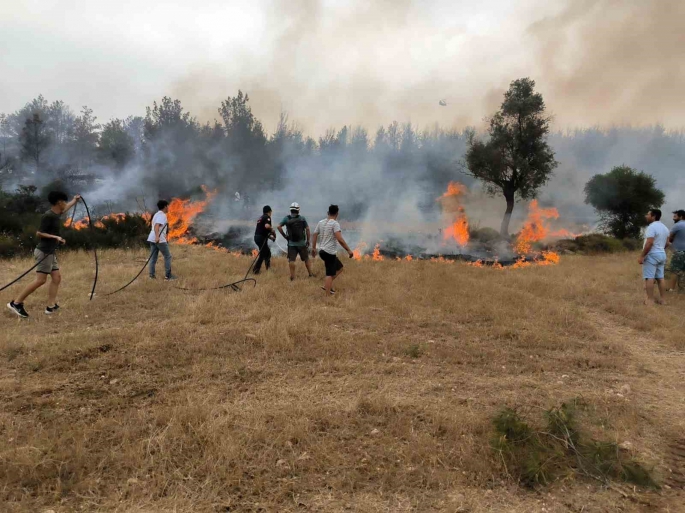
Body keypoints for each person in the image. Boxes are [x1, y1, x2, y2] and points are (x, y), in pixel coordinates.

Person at [7, 191, 81, 318]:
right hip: (44, 252)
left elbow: (65, 208)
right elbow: (39, 233)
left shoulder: (57, 213)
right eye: (64, 201)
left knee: (56, 278)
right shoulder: (48, 216)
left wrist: (74, 200)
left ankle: (50, 306)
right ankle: (16, 303)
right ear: (59, 202)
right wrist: (56, 237)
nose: (65, 203)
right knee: (40, 280)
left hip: (50, 252)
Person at [311, 204, 354, 295]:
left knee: (340, 268)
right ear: (337, 214)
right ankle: (327, 295)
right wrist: (349, 250)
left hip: (322, 251)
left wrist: (314, 248)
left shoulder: (321, 222)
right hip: (329, 252)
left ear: (328, 212)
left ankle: (328, 285)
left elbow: (314, 234)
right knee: (329, 273)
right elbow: (340, 239)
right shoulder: (335, 224)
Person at [638, 208, 670, 305]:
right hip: (661, 254)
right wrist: (660, 249)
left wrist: (642, 256)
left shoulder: (651, 227)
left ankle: (650, 300)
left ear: (653, 216)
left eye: (648, 214)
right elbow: (667, 243)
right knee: (660, 278)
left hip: (652, 255)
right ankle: (663, 300)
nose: (646, 216)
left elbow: (649, 243)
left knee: (649, 277)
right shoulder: (665, 228)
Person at [278, 202, 314, 281]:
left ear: (291, 210)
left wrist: (285, 236)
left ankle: (292, 277)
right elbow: (307, 229)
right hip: (301, 243)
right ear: (298, 210)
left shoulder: (286, 218)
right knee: (306, 258)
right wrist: (308, 240)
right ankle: (311, 274)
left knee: (291, 260)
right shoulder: (302, 218)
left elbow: (278, 226)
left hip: (291, 244)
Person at [147, 200, 176, 281]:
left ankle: (151, 276)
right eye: (168, 206)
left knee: (153, 258)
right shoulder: (162, 215)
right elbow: (156, 226)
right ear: (165, 206)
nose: (168, 208)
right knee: (168, 256)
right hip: (159, 239)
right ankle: (168, 276)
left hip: (152, 238)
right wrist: (157, 237)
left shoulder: (156, 214)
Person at [253, 205, 276, 274]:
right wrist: (272, 230)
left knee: (266, 252)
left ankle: (265, 268)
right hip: (261, 238)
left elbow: (263, 231)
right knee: (265, 253)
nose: (271, 213)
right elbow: (267, 226)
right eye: (271, 212)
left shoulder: (261, 217)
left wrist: (271, 237)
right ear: (269, 211)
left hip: (257, 237)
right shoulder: (267, 217)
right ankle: (256, 270)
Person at [666, 209, 685, 292]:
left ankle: (672, 289)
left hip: (679, 251)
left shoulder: (677, 225)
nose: (673, 218)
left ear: (681, 217)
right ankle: (682, 288)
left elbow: (669, 237)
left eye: (675, 216)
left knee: (675, 269)